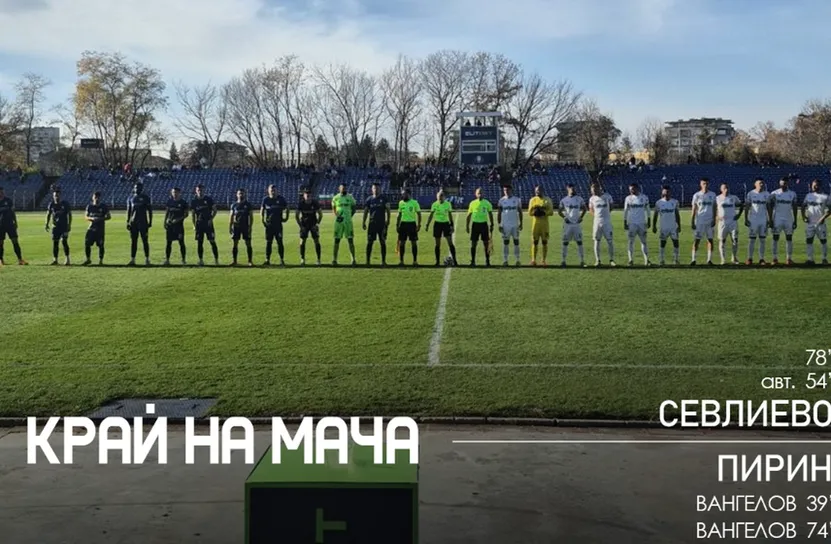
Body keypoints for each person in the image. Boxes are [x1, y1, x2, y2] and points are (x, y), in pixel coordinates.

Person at [770, 177, 798, 265]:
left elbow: (795, 207)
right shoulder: (774, 193)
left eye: (785, 184)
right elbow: (770, 206)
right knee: (775, 238)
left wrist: (795, 220)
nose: (783, 185)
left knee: (789, 238)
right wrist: (770, 219)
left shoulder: (792, 194)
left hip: (788, 219)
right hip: (777, 218)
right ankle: (774, 258)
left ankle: (789, 259)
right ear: (779, 184)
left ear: (787, 184)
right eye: (781, 184)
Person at [425, 190, 457, 266]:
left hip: (446, 224)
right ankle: (437, 261)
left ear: (444, 197)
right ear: (437, 197)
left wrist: (452, 225)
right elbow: (431, 215)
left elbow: (450, 215)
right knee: (437, 244)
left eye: (442, 196)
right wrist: (427, 224)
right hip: (437, 224)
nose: (440, 198)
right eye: (439, 196)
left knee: (450, 242)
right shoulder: (434, 204)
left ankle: (455, 260)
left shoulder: (448, 204)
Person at [557, 183, 586, 267]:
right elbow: (559, 211)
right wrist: (564, 217)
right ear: (567, 188)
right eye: (570, 187)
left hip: (577, 224)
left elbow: (584, 209)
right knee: (565, 242)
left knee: (579, 242)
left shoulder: (579, 199)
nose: (572, 188)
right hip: (568, 225)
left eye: (573, 187)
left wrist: (581, 217)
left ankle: (582, 261)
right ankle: (563, 261)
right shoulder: (564, 200)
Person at [744, 178, 771, 265]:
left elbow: (769, 207)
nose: (761, 185)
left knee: (762, 240)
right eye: (760, 183)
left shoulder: (767, 194)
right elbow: (747, 207)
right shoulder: (750, 194)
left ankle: (761, 259)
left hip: (763, 220)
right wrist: (746, 218)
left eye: (762, 183)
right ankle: (749, 258)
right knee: (752, 240)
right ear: (755, 184)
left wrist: (770, 219)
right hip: (753, 220)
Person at [623, 182, 651, 266]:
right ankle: (630, 260)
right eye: (630, 190)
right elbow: (625, 211)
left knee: (644, 242)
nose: (631, 191)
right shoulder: (628, 198)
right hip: (632, 224)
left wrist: (649, 220)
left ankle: (646, 260)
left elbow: (648, 210)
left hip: (642, 223)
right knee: (631, 242)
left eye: (632, 189)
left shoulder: (644, 197)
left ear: (637, 188)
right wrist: (625, 222)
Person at [191, 184, 220, 266]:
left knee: (212, 241)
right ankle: (201, 260)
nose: (200, 191)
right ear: (196, 191)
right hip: (199, 224)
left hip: (208, 224)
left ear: (204, 190)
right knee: (200, 242)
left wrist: (211, 219)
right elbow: (193, 214)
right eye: (198, 190)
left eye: (201, 190)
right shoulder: (194, 201)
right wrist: (194, 225)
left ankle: (216, 260)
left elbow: (215, 210)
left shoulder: (208, 199)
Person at [652, 185, 681, 266]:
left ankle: (676, 260)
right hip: (663, 227)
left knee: (676, 243)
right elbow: (655, 215)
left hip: (673, 227)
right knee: (662, 243)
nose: (666, 193)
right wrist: (654, 226)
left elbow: (677, 214)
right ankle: (661, 260)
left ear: (670, 192)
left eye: (668, 192)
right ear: (662, 192)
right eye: (665, 191)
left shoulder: (675, 202)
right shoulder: (659, 203)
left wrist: (679, 225)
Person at [802, 179, 830, 265]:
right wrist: (804, 217)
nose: (814, 187)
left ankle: (824, 259)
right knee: (809, 240)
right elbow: (803, 206)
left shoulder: (825, 196)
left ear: (819, 186)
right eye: (813, 185)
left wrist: (823, 218)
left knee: (823, 241)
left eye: (816, 185)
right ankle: (810, 259)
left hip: (820, 223)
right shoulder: (808, 195)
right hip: (810, 223)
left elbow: (830, 210)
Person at [261, 184, 289, 266]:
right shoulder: (265, 199)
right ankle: (267, 260)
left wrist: (286, 218)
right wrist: (262, 220)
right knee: (268, 242)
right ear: (268, 191)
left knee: (279, 242)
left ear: (277, 191)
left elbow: (287, 208)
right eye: (271, 190)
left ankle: (282, 260)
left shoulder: (281, 199)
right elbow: (262, 210)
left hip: (278, 225)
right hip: (269, 225)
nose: (273, 191)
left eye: (274, 190)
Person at [690, 178, 716, 265]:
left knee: (710, 240)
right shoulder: (696, 195)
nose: (705, 185)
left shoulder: (712, 194)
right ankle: (693, 259)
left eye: (707, 184)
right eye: (704, 183)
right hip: (699, 221)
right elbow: (694, 209)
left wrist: (714, 219)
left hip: (709, 221)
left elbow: (714, 207)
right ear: (700, 184)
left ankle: (709, 260)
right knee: (696, 240)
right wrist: (692, 221)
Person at [363, 182, 390, 265]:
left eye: (377, 188)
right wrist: (363, 222)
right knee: (370, 242)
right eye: (374, 188)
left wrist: (388, 221)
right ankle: (367, 261)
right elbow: (366, 211)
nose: (376, 190)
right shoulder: (369, 199)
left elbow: (388, 211)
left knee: (382, 242)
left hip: (381, 224)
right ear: (372, 189)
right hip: (372, 224)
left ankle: (383, 261)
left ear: (380, 189)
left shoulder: (384, 198)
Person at [588, 183, 615, 267]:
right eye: (592, 191)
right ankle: (598, 260)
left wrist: (605, 215)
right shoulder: (592, 199)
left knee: (609, 241)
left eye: (594, 190)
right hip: (597, 222)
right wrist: (596, 216)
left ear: (599, 189)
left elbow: (611, 206)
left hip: (607, 222)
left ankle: (611, 260)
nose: (593, 192)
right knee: (596, 241)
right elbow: (591, 209)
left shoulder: (607, 196)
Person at [466, 187, 494, 266]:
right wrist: (467, 226)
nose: (480, 195)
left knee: (486, 243)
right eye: (478, 193)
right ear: (476, 194)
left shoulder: (487, 203)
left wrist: (492, 224)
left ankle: (487, 261)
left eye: (481, 193)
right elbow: (469, 215)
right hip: (475, 225)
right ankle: (473, 261)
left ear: (484, 194)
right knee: (473, 243)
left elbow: (490, 214)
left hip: (484, 225)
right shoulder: (472, 203)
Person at [126, 182, 153, 266]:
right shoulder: (130, 198)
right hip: (133, 223)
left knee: (145, 241)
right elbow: (129, 211)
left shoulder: (146, 198)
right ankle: (132, 259)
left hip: (143, 222)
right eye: (136, 187)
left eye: (139, 187)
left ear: (142, 188)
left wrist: (150, 221)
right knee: (134, 241)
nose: (137, 189)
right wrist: (128, 222)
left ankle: (147, 259)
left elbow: (150, 210)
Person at [716, 183, 742, 265]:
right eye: (724, 188)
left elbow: (741, 205)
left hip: (733, 222)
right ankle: (723, 259)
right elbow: (713, 208)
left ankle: (734, 257)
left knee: (735, 240)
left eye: (727, 188)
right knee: (722, 240)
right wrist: (717, 216)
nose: (726, 189)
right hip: (722, 223)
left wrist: (739, 214)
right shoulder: (717, 198)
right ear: (721, 189)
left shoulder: (733, 197)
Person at [527, 185, 554, 266]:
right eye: (536, 190)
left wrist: (544, 212)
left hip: (544, 225)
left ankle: (543, 260)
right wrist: (534, 212)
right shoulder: (532, 200)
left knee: (544, 242)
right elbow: (529, 212)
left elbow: (551, 212)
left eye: (538, 190)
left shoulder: (547, 200)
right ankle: (533, 260)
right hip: (535, 225)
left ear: (542, 191)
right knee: (534, 242)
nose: (537, 192)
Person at [0, 186, 27, 265]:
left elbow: (12, 212)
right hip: (0, 225)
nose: (1, 193)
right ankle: (1, 260)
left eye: (2, 192)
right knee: (1, 243)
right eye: (0, 192)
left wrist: (15, 222)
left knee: (15, 241)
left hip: (10, 224)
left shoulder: (8, 200)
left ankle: (20, 259)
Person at [46, 187, 72, 266]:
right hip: (55, 226)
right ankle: (55, 260)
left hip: (64, 226)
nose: (56, 197)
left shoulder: (65, 204)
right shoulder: (51, 204)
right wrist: (46, 224)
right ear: (53, 196)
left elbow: (69, 215)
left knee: (64, 241)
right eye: (55, 196)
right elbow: (48, 214)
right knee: (55, 243)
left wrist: (69, 225)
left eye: (57, 195)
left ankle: (67, 259)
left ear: (60, 196)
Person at [497, 185, 523, 266]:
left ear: (511, 190)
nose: (506, 191)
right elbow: (499, 213)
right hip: (505, 225)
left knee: (516, 242)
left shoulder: (517, 200)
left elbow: (520, 212)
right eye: (505, 190)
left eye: (507, 190)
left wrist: (521, 223)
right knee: (506, 242)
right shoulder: (501, 200)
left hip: (515, 225)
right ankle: (505, 260)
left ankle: (518, 260)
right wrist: (499, 224)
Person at [83, 192, 111, 265]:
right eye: (95, 197)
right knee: (87, 243)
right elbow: (85, 216)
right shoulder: (89, 206)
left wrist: (100, 219)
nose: (96, 199)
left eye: (98, 197)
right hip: (91, 228)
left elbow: (109, 216)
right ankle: (88, 259)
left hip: (100, 229)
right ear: (92, 198)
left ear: (100, 198)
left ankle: (101, 260)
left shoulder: (104, 206)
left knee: (101, 245)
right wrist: (91, 218)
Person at [332, 184, 356, 266]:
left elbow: (354, 209)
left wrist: (349, 216)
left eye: (345, 188)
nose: (344, 189)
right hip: (339, 222)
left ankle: (353, 260)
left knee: (350, 240)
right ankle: (334, 260)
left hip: (348, 222)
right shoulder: (335, 198)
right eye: (342, 188)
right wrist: (337, 216)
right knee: (336, 240)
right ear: (339, 188)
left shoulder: (350, 197)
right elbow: (334, 208)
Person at [296, 188, 323, 266]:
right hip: (304, 225)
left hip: (313, 224)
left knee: (316, 241)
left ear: (311, 196)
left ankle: (318, 259)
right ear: (304, 196)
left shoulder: (315, 203)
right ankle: (302, 259)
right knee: (302, 241)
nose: (308, 196)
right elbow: (297, 215)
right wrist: (300, 225)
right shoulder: (301, 203)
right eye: (306, 195)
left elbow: (320, 214)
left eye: (309, 195)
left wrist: (317, 224)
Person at [163, 187, 189, 266]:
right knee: (168, 243)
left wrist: (178, 219)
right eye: (173, 192)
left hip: (179, 226)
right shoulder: (169, 201)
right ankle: (167, 260)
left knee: (181, 243)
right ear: (171, 193)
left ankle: (183, 260)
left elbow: (186, 214)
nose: (175, 194)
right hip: (170, 226)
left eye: (176, 192)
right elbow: (167, 212)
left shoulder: (183, 202)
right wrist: (165, 222)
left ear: (179, 193)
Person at [229, 188, 254, 267]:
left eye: (242, 193)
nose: (241, 195)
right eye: (239, 193)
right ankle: (234, 261)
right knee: (235, 244)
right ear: (237, 195)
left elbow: (251, 217)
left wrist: (250, 227)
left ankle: (250, 261)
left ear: (245, 194)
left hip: (245, 226)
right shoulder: (234, 205)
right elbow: (231, 216)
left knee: (248, 243)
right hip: (236, 227)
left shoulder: (248, 205)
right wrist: (230, 226)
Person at [396, 189, 421, 266]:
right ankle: (401, 261)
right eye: (402, 194)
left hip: (412, 224)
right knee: (402, 243)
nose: (402, 196)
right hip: (403, 224)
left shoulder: (415, 203)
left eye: (404, 194)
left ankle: (415, 261)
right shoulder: (401, 203)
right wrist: (397, 225)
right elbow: (399, 215)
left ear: (408, 194)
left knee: (414, 243)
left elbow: (419, 214)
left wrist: (419, 225)